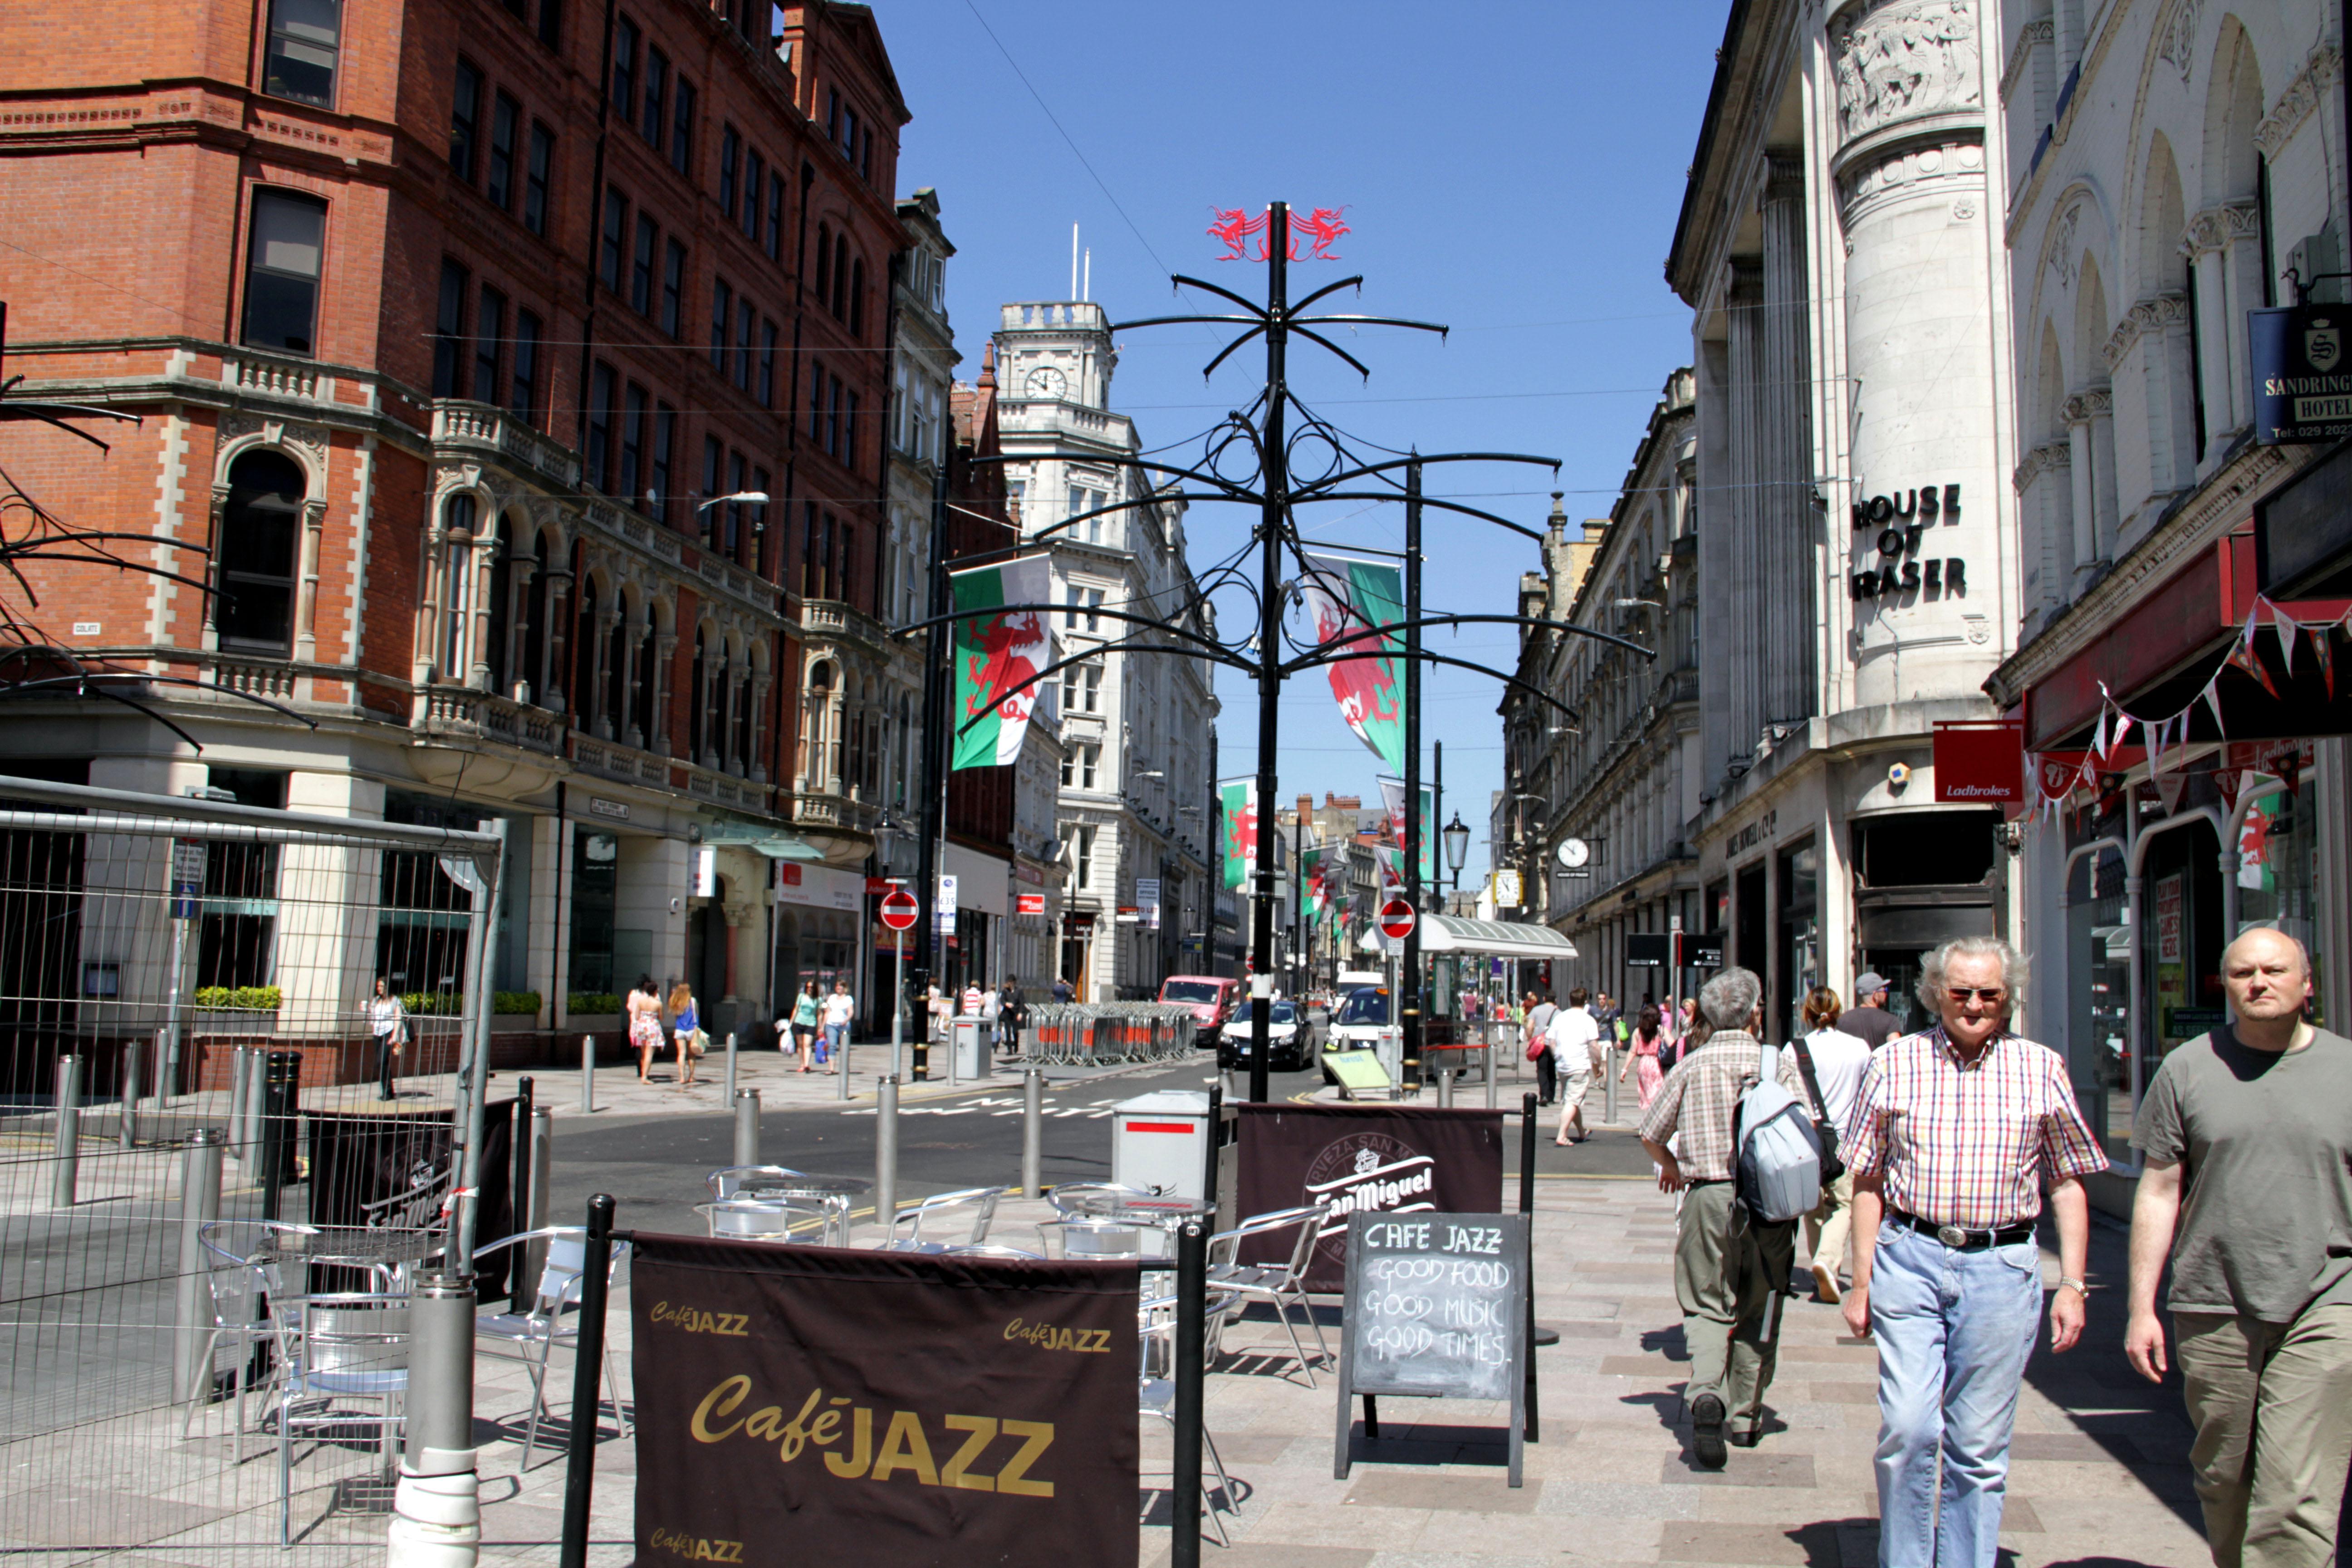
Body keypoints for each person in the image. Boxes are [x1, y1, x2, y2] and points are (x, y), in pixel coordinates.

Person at [1842, 936, 2106, 1568]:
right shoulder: (1893, 1063)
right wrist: (1860, 1282)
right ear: (1936, 993)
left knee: (1979, 1445)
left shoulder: (2041, 1067)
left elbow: (2067, 1181)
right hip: (1910, 1256)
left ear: (2008, 996)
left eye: (1990, 993)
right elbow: (1867, 1179)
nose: (1975, 1005)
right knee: (1908, 1430)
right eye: (1961, 992)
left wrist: (2072, 1283)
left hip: (2002, 1266)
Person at [2126, 927, 2352, 1568]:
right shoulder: (2189, 1068)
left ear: (2307, 984)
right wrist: (2142, 1306)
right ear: (2225, 986)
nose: (2259, 982)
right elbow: (2160, 1190)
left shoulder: (2347, 1070)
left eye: (2274, 970)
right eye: (2243, 973)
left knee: (2295, 1498)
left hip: (2331, 1300)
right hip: (2214, 1300)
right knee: (2225, 1481)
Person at [1637, 966, 1796, 1467]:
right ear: (1754, 1012)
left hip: (1709, 1194)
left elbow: (1650, 1130)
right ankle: (1746, 1417)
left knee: (1707, 1302)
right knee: (1760, 1303)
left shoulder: (1694, 1063)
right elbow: (1805, 1130)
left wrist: (1670, 1167)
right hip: (1769, 1202)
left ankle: (1707, 1390)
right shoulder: (1776, 1065)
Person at [1782, 985, 1873, 1304]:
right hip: (1846, 1140)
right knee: (1844, 1205)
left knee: (1814, 1207)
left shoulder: (1794, 1050)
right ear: (1838, 1012)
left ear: (1806, 1013)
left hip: (1806, 1140)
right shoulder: (1860, 1048)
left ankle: (1823, 1260)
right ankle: (1828, 1262)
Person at [1551, 987, 1602, 1145]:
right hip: (1579, 1065)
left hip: (1563, 1065)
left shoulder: (1560, 1017)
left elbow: (1551, 1041)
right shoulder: (1588, 1020)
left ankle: (1581, 1131)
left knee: (1573, 1099)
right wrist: (1598, 1065)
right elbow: (1594, 1046)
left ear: (1570, 1000)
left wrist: (1558, 1057)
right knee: (1572, 1101)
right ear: (1585, 1002)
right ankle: (1562, 1135)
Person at [1621, 1003, 1668, 1112]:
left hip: (1643, 1063)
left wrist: (1625, 1069)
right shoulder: (1662, 1030)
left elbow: (1632, 1051)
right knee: (1658, 1094)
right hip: (1657, 1064)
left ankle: (1648, 1117)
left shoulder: (1638, 1032)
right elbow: (1673, 1046)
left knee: (1646, 1094)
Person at [368, 979, 407, 1101]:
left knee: (381, 1061)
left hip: (389, 1032)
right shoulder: (376, 1000)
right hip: (377, 1033)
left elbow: (398, 1017)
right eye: (378, 986)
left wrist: (394, 1035)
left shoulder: (394, 1000)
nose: (379, 989)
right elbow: (372, 1016)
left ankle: (388, 1092)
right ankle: (388, 1091)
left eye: (381, 986)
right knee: (381, 1064)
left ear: (387, 987)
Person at [1840, 971, 1902, 1049]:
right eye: (1884, 990)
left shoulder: (1843, 1020)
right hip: (1878, 1061)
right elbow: (1895, 1051)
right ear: (1875, 995)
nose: (1886, 994)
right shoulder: (1890, 1020)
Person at [1524, 991, 1558, 1106]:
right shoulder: (1559, 1013)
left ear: (1544, 998)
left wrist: (1530, 1040)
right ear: (1556, 1000)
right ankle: (1551, 1096)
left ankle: (1543, 1094)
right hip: (1554, 1043)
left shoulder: (1536, 1010)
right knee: (1552, 1070)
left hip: (1540, 1044)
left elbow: (1529, 1027)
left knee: (1542, 1070)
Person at [627, 975, 664, 1083]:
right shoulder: (658, 1003)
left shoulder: (641, 1001)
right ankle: (645, 1076)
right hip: (652, 1027)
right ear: (655, 991)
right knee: (649, 1053)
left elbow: (637, 1015)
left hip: (641, 1026)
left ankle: (642, 1072)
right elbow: (661, 1017)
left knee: (642, 1052)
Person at [667, 980, 700, 1088]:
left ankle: (682, 1077)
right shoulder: (692, 1001)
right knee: (692, 1054)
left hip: (680, 1029)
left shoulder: (677, 1002)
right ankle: (691, 1076)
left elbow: (676, 1016)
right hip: (691, 1028)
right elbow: (696, 1013)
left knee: (681, 1053)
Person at [788, 980, 820, 1072]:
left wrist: (821, 1027)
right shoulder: (801, 997)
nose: (810, 989)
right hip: (799, 1022)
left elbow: (819, 1014)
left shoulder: (818, 999)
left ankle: (807, 1065)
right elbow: (796, 1009)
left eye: (812, 987)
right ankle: (802, 1064)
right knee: (801, 1045)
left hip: (811, 1023)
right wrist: (791, 1020)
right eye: (808, 987)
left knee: (808, 1044)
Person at [998, 977, 1026, 1056]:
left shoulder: (1019, 991)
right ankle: (1009, 1049)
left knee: (1015, 1031)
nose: (1010, 983)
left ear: (1014, 982)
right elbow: (1002, 1000)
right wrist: (1006, 1004)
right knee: (1008, 1031)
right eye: (1009, 982)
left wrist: (1021, 1013)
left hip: (1016, 1013)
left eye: (1011, 982)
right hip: (1008, 1012)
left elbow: (1022, 1002)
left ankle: (1016, 1046)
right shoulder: (1005, 991)